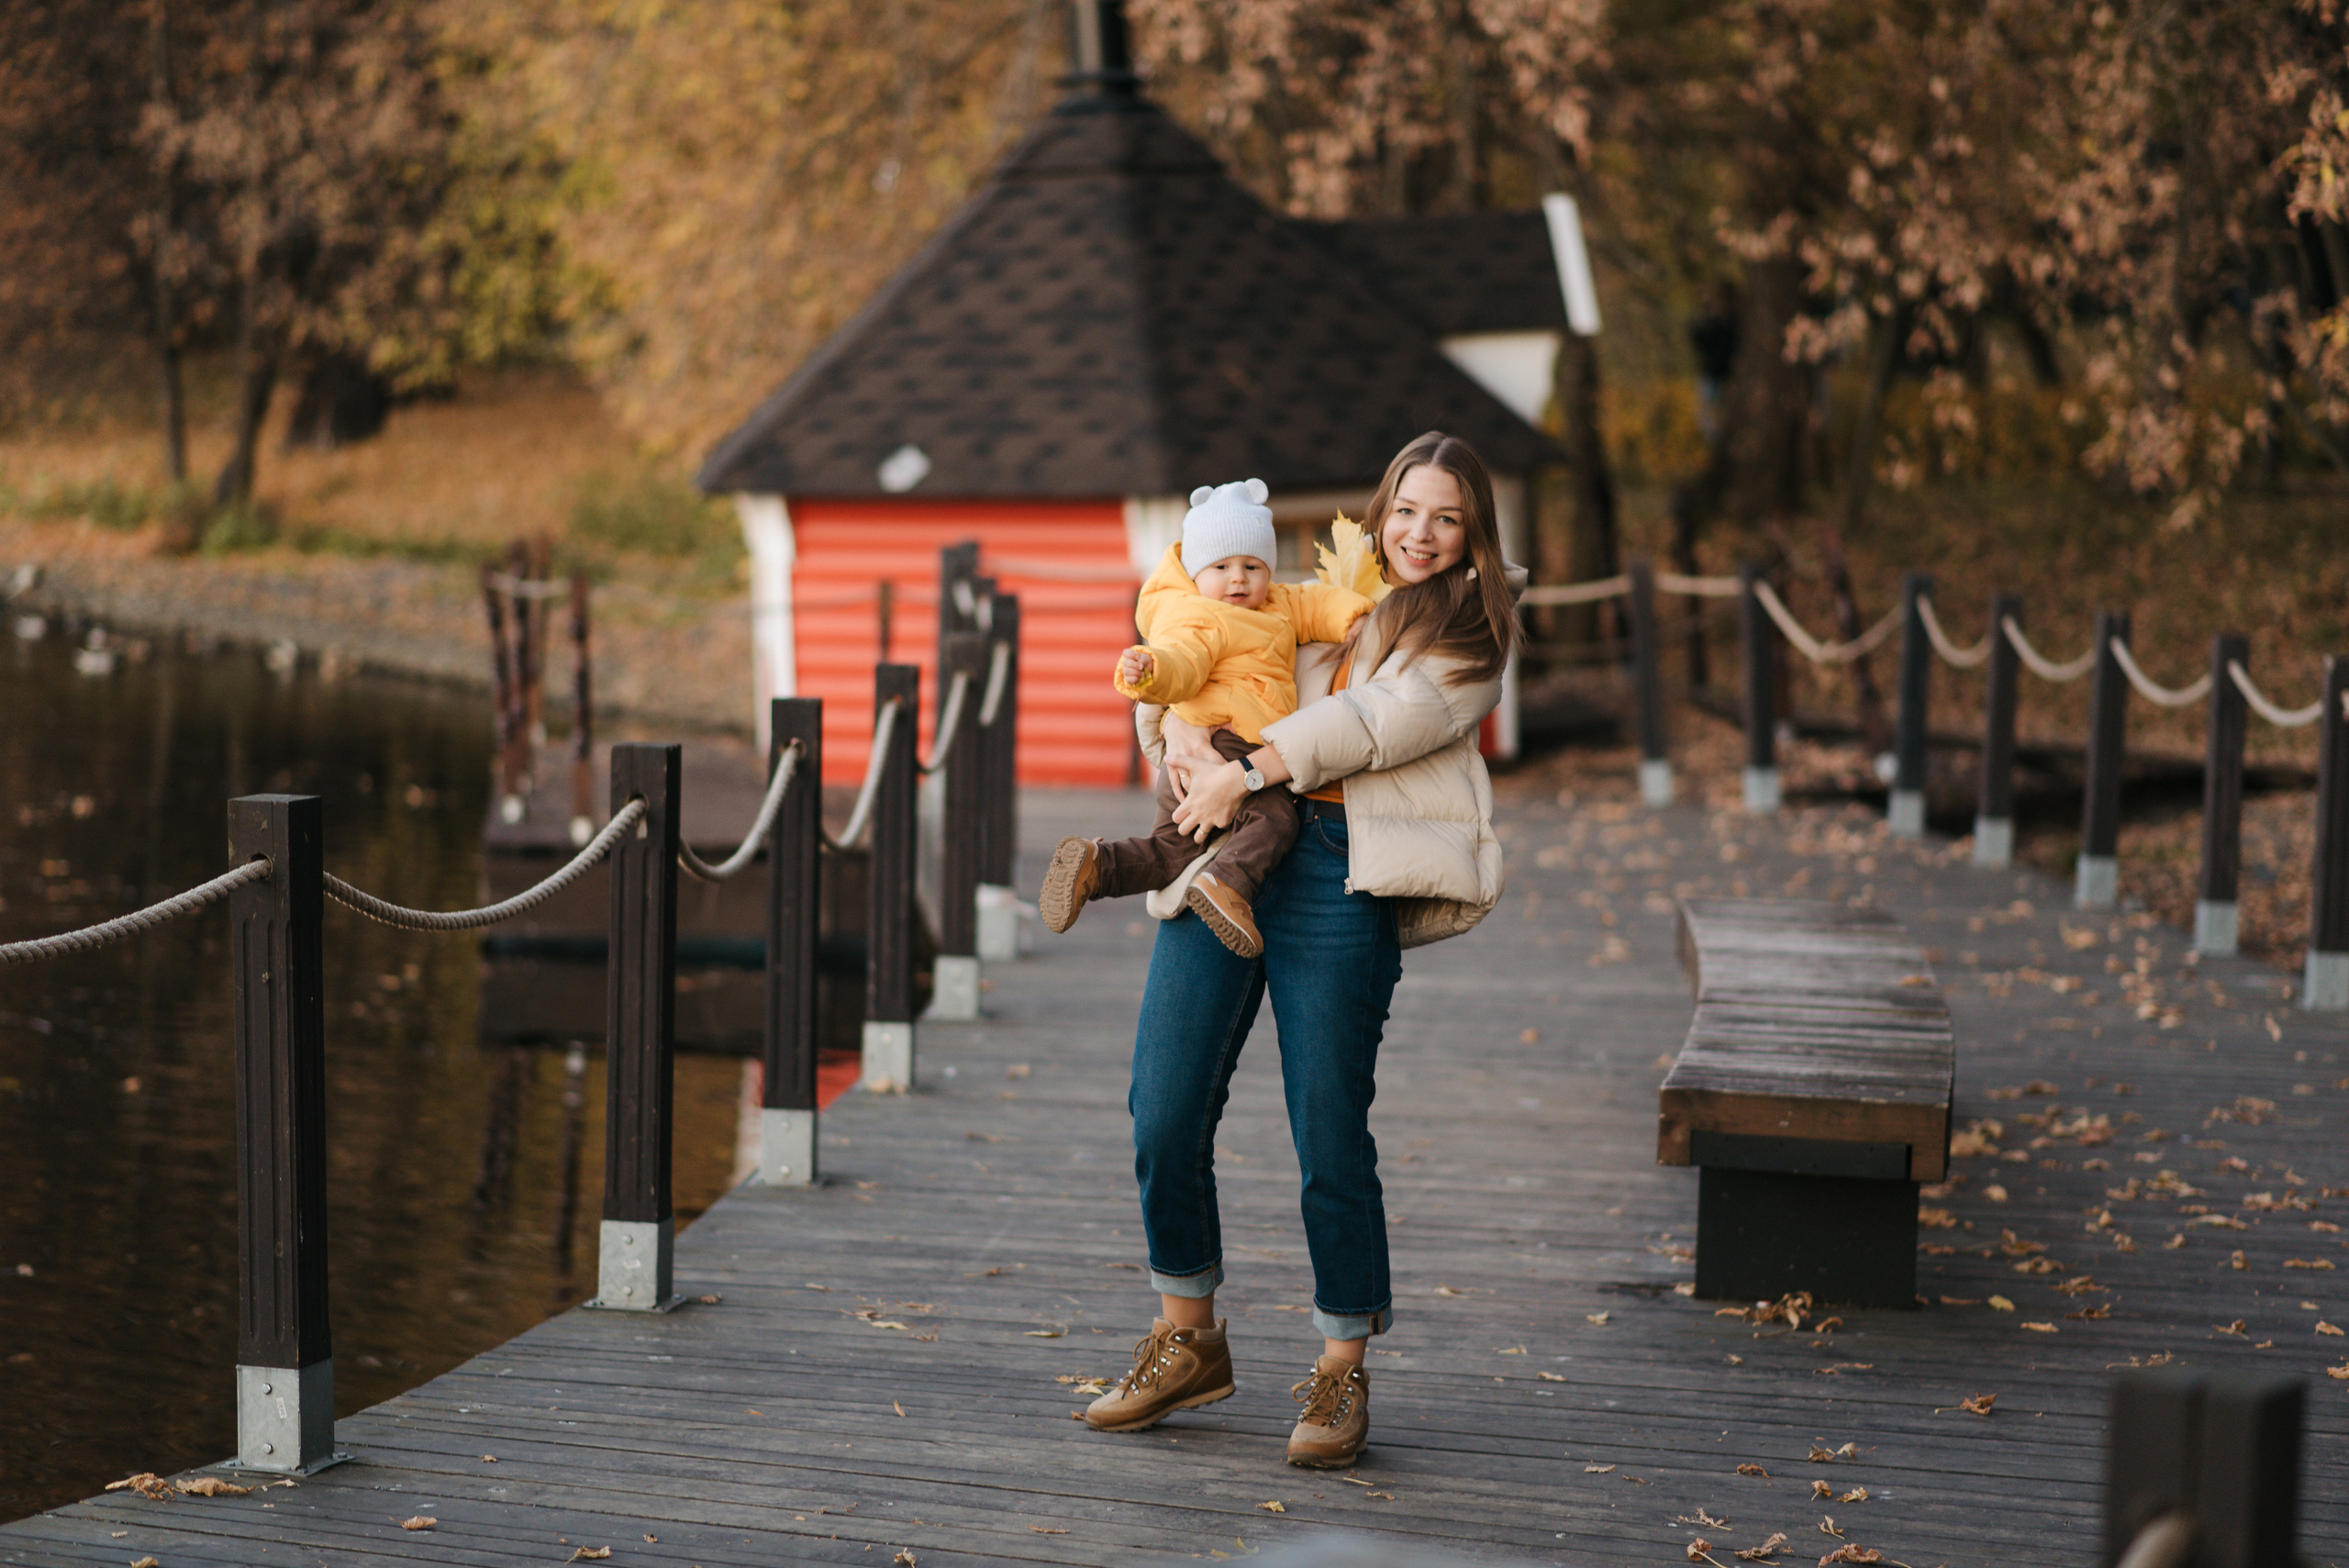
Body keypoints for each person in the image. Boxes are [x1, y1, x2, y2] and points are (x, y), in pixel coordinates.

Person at [1078, 431, 1521, 1469]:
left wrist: (1246, 769)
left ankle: (1339, 1365)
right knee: (1163, 1103)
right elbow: (1202, 649)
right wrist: (1174, 739)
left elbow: (1374, 720)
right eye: (1405, 509)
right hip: (1228, 845)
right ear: (1381, 509)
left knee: (1327, 1126)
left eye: (1445, 517)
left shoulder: (1470, 633)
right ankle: (1186, 1335)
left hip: (1337, 869)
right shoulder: (1315, 589)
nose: (1419, 532)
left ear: (1471, 533)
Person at [1039, 478, 1373, 957]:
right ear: (1196, 573)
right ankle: (1227, 884)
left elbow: (1320, 602)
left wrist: (1357, 619)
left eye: (1252, 566)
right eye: (1221, 566)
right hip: (1229, 741)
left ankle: (1097, 866)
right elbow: (1183, 660)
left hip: (1197, 757)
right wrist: (1152, 672)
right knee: (1276, 819)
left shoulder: (1279, 604)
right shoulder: (1200, 616)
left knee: (1169, 852)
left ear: (1269, 571)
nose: (1239, 579)